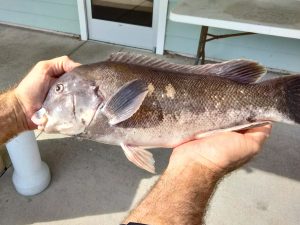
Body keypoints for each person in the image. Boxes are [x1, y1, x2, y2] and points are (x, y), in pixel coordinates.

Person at [0, 56, 271, 225]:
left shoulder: (108, 107)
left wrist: (17, 109)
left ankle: (276, 99)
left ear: (93, 93)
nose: (48, 102)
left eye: (58, 90)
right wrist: (18, 108)